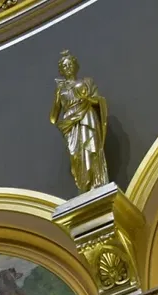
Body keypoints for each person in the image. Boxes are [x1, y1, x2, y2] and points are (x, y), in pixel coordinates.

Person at [49, 50, 109, 193]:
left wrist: (86, 99)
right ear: (61, 70)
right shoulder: (60, 89)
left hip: (87, 117)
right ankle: (84, 186)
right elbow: (52, 118)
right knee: (76, 156)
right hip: (70, 124)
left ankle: (97, 182)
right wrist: (57, 97)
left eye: (70, 64)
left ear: (76, 66)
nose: (68, 67)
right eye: (64, 66)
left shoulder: (87, 82)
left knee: (92, 148)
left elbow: (98, 101)